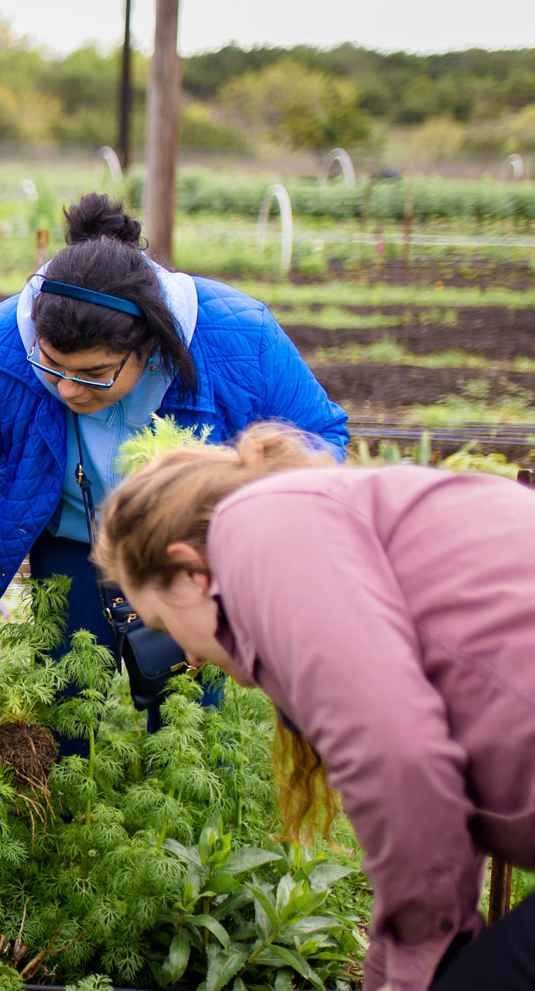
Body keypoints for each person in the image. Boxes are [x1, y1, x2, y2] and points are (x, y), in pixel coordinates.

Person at [93, 424, 535, 991]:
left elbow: (396, 756)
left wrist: (417, 962)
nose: (187, 658)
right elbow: (436, 816)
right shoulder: (322, 519)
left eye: (162, 624)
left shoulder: (262, 528)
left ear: (192, 571)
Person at [0, 194, 349, 754]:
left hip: (189, 559)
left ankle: (183, 833)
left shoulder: (236, 335)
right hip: (73, 546)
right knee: (67, 708)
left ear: (150, 346)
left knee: (191, 728)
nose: (66, 389)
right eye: (51, 366)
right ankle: (67, 822)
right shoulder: (6, 339)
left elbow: (320, 442)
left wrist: (239, 569)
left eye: (93, 374)